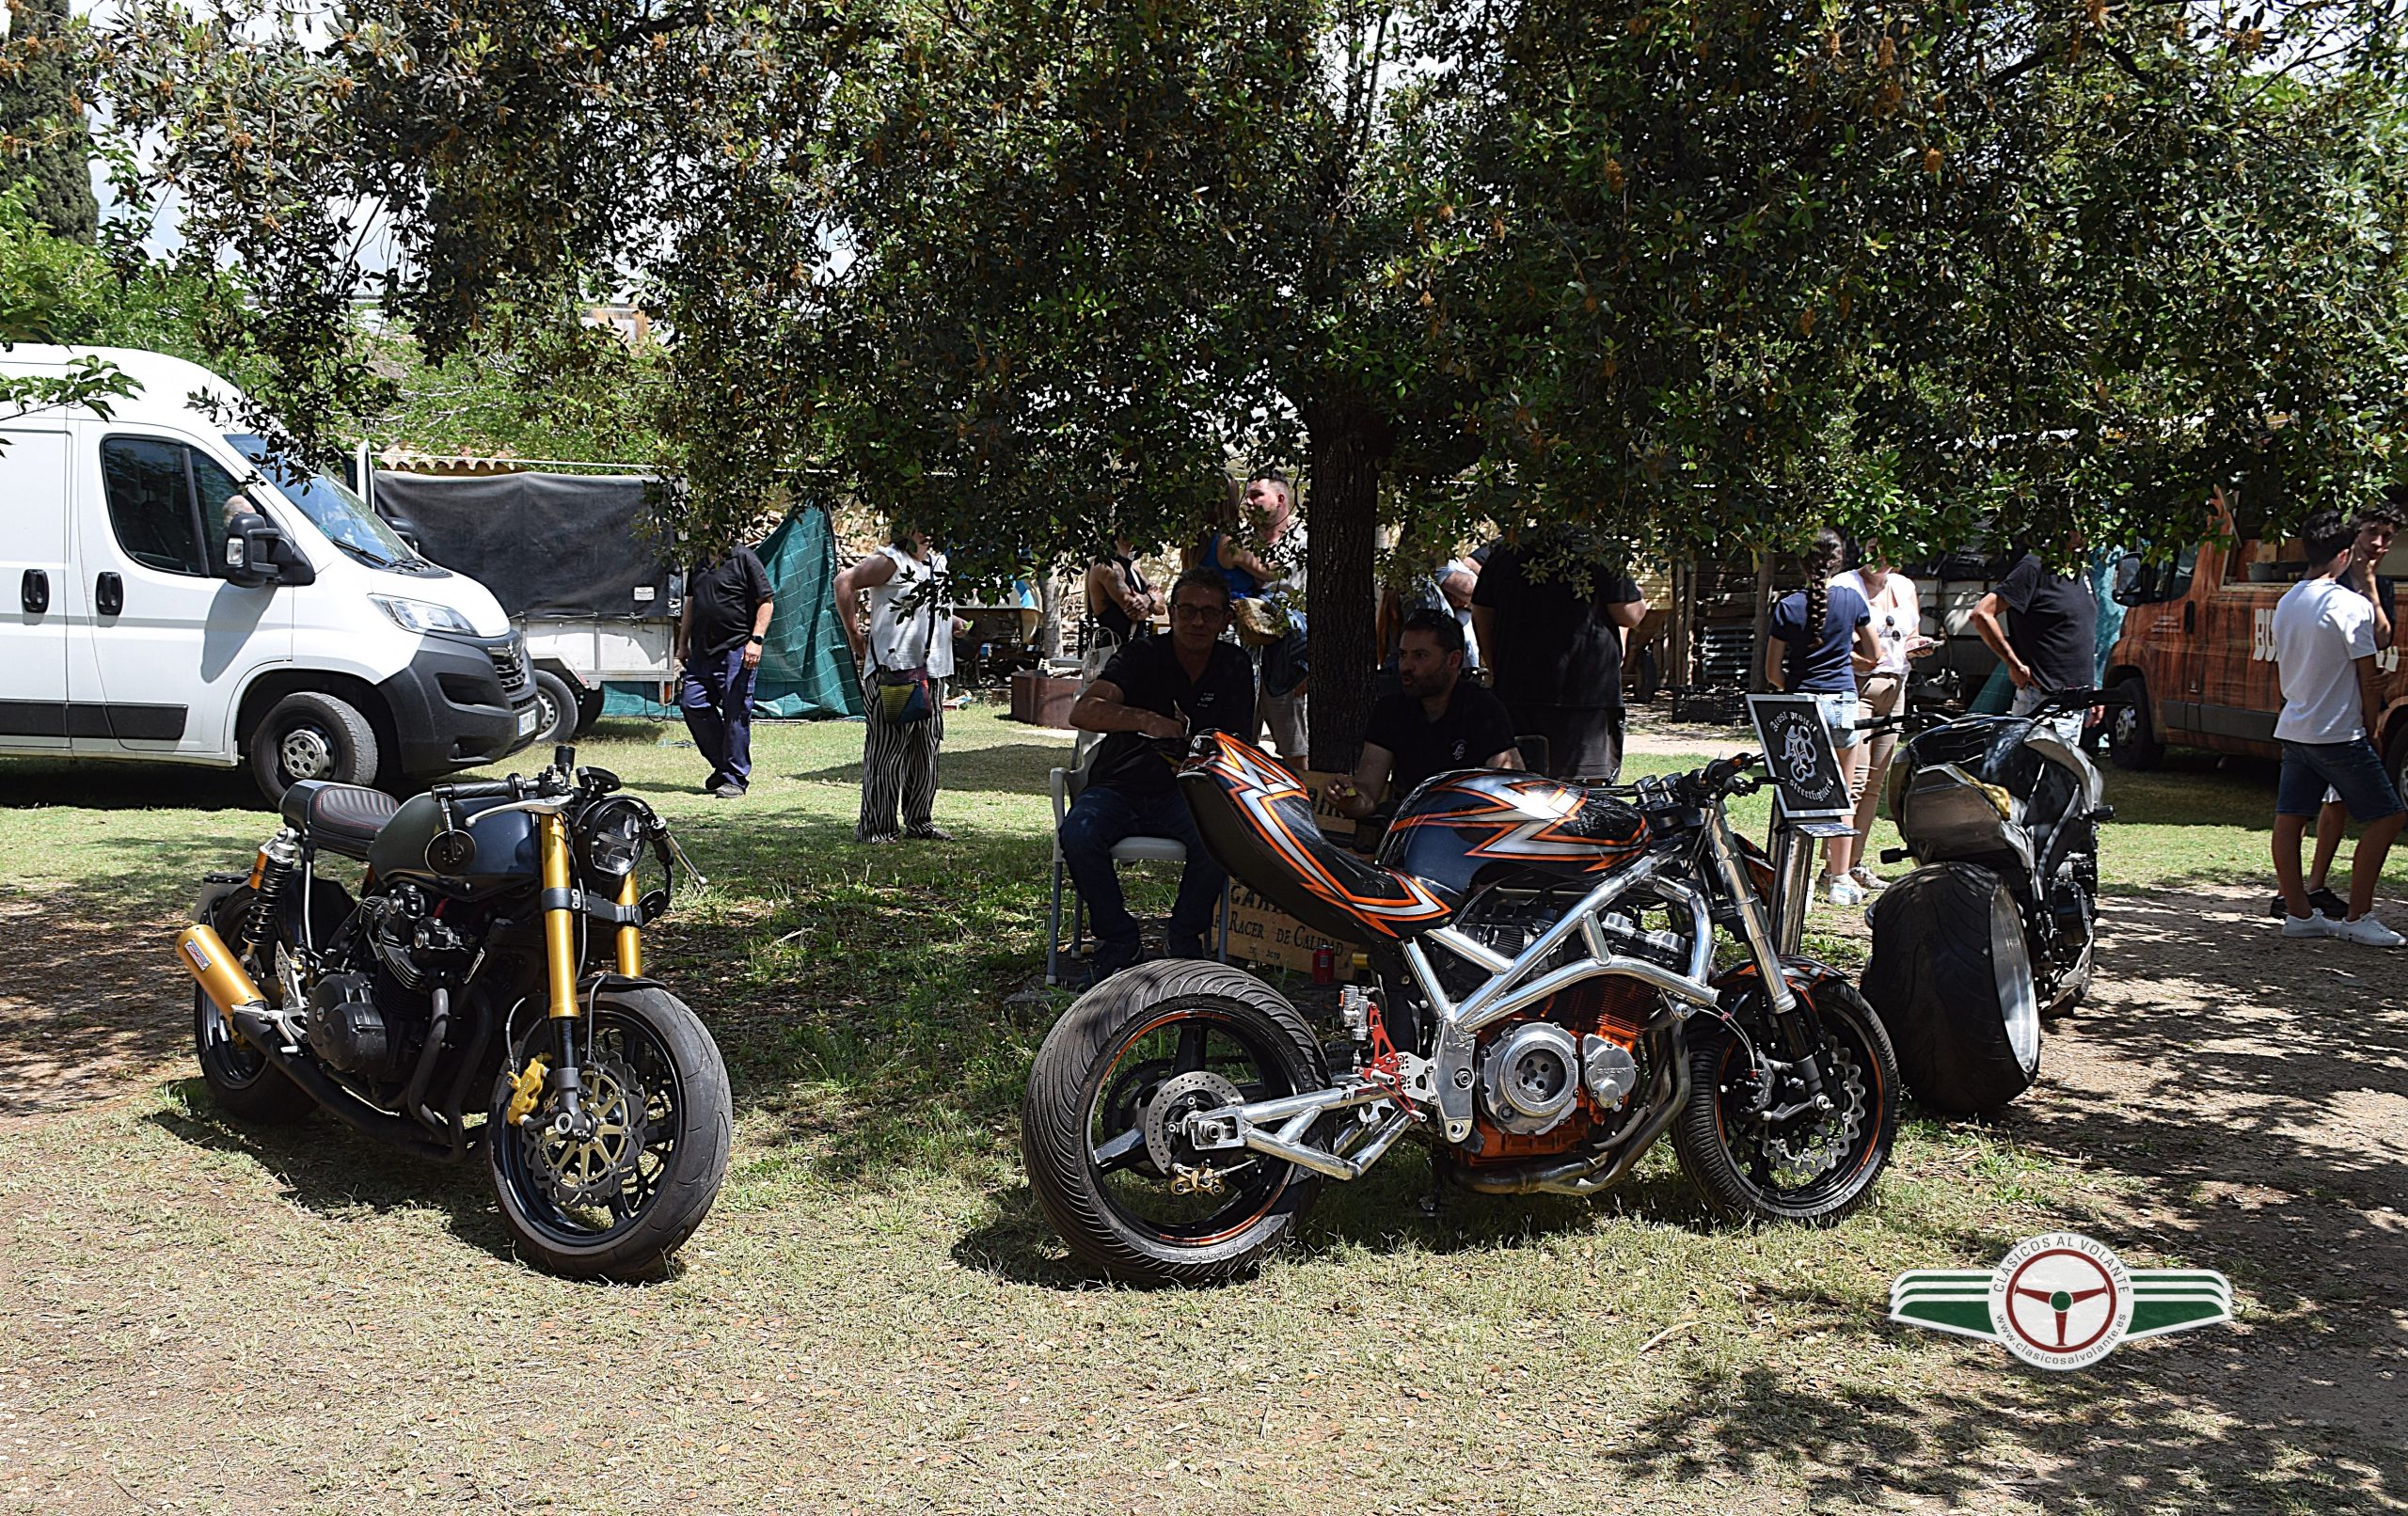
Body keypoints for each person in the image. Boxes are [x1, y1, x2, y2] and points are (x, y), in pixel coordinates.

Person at [1060, 568, 1258, 980]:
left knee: (1222, 840)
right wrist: (1145, 720)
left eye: (1209, 612)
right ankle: (1118, 939)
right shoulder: (1141, 655)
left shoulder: (1234, 665)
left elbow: (1241, 742)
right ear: (1172, 612)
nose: (1198, 622)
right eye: (1188, 610)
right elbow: (1083, 710)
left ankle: (1184, 936)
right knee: (1078, 833)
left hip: (1191, 793)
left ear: (1225, 619)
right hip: (1120, 785)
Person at [2269, 510, 2404, 945]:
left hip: (2296, 724)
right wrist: (2372, 723)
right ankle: (2358, 915)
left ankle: (2299, 912)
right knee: (2388, 816)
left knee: (2290, 820)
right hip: (2337, 731)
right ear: (2345, 554)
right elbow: (2368, 675)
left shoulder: (2289, 600)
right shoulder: (2351, 605)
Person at [1764, 528, 1883, 905]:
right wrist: (1849, 658)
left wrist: (1793, 688)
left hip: (1799, 709)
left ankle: (1786, 877)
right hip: (1843, 707)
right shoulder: (1852, 601)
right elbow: (1875, 656)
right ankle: (1840, 878)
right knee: (1841, 798)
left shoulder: (1787, 606)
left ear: (1800, 561)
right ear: (1839, 560)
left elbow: (1772, 672)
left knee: (1797, 793)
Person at [1470, 530, 1647, 782]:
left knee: (1522, 789)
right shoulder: (1597, 550)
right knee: (1587, 793)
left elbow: (1481, 614)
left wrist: (1495, 667)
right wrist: (1640, 600)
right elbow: (1629, 615)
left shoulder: (1507, 551)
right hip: (1584, 699)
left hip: (1518, 693)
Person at [1324, 608, 1521, 823]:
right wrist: (1349, 800)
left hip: (1469, 832)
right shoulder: (1390, 711)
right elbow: (1367, 795)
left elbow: (1511, 790)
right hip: (1411, 830)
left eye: (1420, 656)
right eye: (1402, 655)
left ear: (1453, 660)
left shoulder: (1483, 710)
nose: (1406, 666)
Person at [835, 528, 965, 843]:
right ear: (905, 529)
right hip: (895, 672)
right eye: (921, 526)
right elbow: (844, 581)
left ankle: (920, 822)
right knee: (888, 751)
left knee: (926, 749)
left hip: (933, 673)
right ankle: (877, 828)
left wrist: (952, 620)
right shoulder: (890, 561)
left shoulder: (937, 563)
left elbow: (925, 607)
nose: (929, 533)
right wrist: (855, 636)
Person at [1832, 545, 1935, 893]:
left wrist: (1918, 645)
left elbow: (1911, 633)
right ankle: (1836, 869)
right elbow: (1828, 639)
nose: (1884, 556)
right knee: (1854, 779)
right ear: (1863, 547)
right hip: (1857, 685)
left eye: (1889, 548)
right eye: (1875, 548)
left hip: (1896, 684)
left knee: (1876, 780)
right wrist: (1857, 660)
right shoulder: (1844, 585)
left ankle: (1854, 863)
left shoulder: (1905, 586)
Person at [1971, 531, 2099, 749]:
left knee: (2062, 779)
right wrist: (2014, 664)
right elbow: (1982, 614)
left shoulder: (2079, 569)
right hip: (2042, 700)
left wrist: (2091, 689)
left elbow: (2076, 631)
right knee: (2035, 777)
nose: (2090, 533)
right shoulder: (2034, 566)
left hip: (2074, 701)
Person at [674, 540, 774, 798]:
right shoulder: (699, 560)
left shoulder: (744, 558)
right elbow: (692, 603)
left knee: (735, 712)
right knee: (691, 704)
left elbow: (766, 602)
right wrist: (682, 643)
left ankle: (735, 778)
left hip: (737, 650)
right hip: (701, 652)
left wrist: (756, 641)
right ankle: (723, 766)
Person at [1085, 536, 1161, 660]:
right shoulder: (1105, 566)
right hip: (1115, 653)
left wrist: (1148, 599)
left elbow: (1161, 607)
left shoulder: (1134, 567)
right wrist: (1151, 600)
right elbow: (1136, 613)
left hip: (1136, 650)